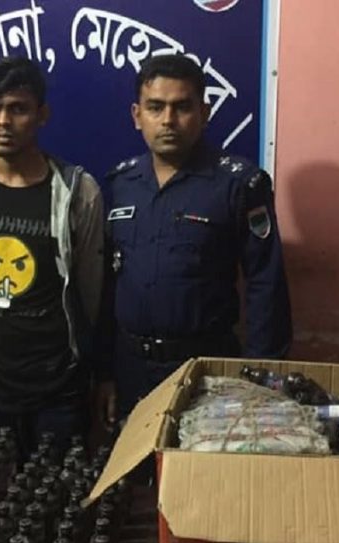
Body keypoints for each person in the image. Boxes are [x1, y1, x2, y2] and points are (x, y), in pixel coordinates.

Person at [105, 54, 292, 419]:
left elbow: (266, 286)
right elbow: (107, 286)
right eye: (155, 107)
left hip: (206, 370)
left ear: (204, 113)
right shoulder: (121, 184)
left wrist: (260, 378)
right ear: (137, 115)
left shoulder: (238, 185)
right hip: (131, 370)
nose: (168, 120)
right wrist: (104, 373)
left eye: (182, 107)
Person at [0, 57, 110, 456]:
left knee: (59, 491)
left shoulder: (77, 192)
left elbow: (93, 293)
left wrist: (95, 370)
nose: (3, 121)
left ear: (41, 115)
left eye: (17, 108)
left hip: (59, 389)